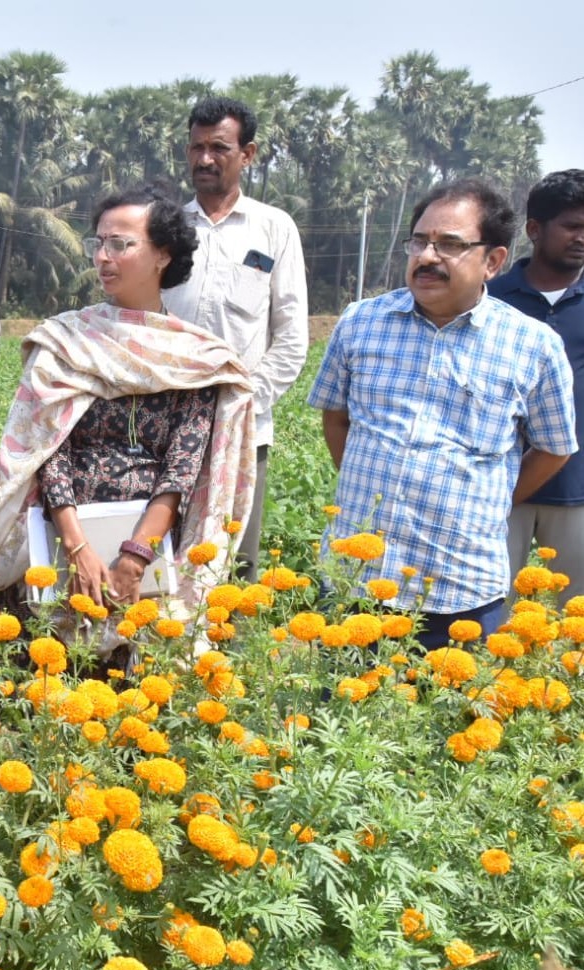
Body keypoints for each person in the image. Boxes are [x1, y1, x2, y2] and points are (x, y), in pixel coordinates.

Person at [309, 178, 576, 647]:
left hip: (461, 585)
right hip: (358, 575)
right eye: (419, 241)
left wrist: (489, 502)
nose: (427, 257)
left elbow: (554, 448)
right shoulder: (360, 323)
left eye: (450, 244)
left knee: (447, 718)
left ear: (492, 261)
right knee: (344, 711)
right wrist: (369, 486)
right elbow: (337, 418)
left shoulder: (532, 345)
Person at [0, 187, 256, 614]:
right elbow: (47, 451)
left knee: (141, 673)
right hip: (58, 546)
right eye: (98, 243)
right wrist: (76, 545)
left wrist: (137, 554)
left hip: (149, 561)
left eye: (120, 244)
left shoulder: (195, 357)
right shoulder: (66, 343)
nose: (103, 257)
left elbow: (181, 469)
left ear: (162, 254)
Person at [161, 96, 307, 579]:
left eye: (219, 147)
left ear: (248, 154)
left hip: (244, 428)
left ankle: (230, 655)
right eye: (196, 148)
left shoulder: (273, 229)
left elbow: (290, 337)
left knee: (234, 558)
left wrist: (244, 401)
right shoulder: (167, 227)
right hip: (166, 424)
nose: (205, 159)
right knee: (162, 551)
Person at [488, 170, 584, 601]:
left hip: (579, 488)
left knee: (576, 618)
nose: (582, 237)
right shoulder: (491, 300)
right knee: (490, 606)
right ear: (534, 229)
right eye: (573, 226)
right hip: (500, 486)